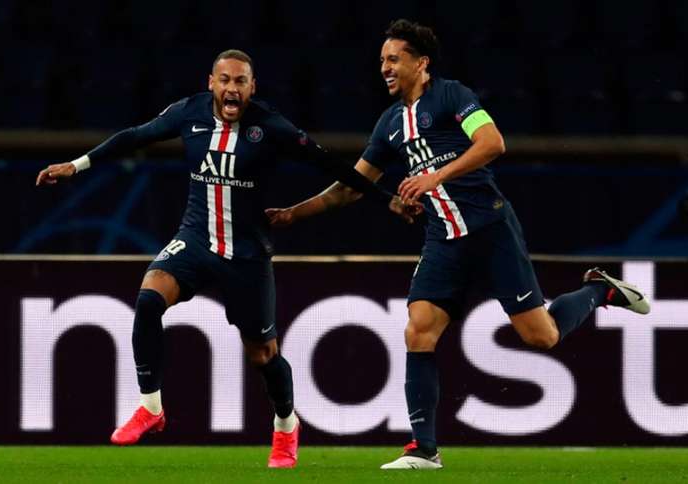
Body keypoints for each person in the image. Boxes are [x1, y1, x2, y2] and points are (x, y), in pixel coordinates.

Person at [266, 20, 651, 470]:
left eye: (394, 60)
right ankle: (424, 450)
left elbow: (493, 143)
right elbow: (352, 186)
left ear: (421, 63)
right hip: (443, 239)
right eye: (382, 62)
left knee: (540, 336)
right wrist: (294, 212)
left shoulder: (453, 96)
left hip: (490, 228)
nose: (385, 68)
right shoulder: (390, 124)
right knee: (418, 329)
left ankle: (597, 291)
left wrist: (436, 177)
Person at [36, 49, 417, 468]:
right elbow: (134, 136)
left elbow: (331, 165)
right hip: (196, 240)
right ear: (211, 83)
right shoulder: (189, 113)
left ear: (253, 88)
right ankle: (151, 407)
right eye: (224, 80)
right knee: (148, 299)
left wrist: (386, 198)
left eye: (240, 81)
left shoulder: (271, 127)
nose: (231, 88)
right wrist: (76, 165)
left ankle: (287, 427)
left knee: (264, 356)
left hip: (247, 255)